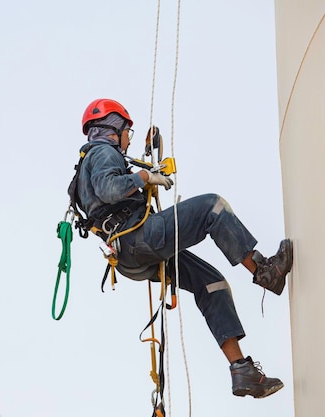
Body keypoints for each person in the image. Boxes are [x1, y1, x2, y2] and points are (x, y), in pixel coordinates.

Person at [71, 98, 294, 399]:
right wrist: (146, 176)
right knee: (211, 207)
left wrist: (143, 173)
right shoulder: (103, 152)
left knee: (211, 283)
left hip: (130, 257)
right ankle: (265, 271)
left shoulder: (91, 161)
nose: (127, 139)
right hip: (139, 238)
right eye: (127, 131)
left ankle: (242, 371)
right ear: (115, 128)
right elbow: (110, 189)